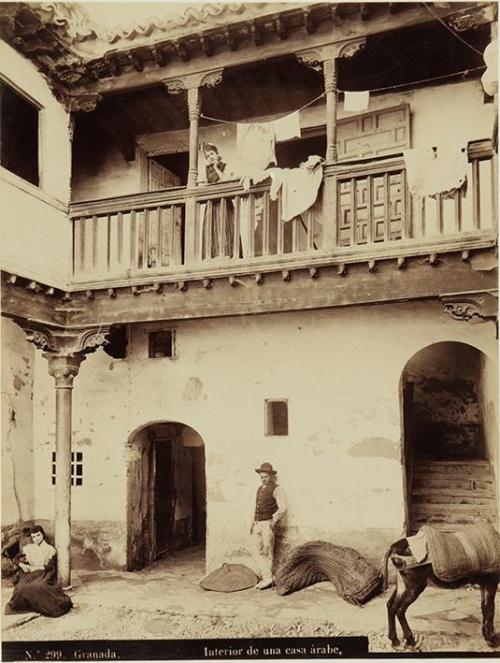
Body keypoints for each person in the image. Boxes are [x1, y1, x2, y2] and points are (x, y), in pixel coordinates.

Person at [5, 525, 72, 617]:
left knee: (39, 586)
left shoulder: (50, 549)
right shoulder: (29, 548)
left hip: (44, 573)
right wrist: (22, 565)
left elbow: (51, 566)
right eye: (34, 536)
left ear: (43, 535)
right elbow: (16, 559)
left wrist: (37, 568)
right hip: (31, 573)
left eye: (38, 535)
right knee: (20, 588)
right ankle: (30, 605)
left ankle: (42, 606)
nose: (36, 538)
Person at [250, 462, 287, 589]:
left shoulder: (276, 488)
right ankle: (268, 577)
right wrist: (252, 523)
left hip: (267, 524)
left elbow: (283, 507)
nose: (263, 479)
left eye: (265, 477)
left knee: (267, 551)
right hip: (258, 523)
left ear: (271, 476)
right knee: (255, 550)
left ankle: (268, 579)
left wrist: (274, 520)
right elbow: (256, 507)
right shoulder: (260, 489)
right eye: (261, 477)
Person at [200, 143, 235, 259]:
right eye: (207, 156)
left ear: (217, 154)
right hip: (212, 203)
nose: (210, 157)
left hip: (224, 202)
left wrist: (216, 167)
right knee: (211, 228)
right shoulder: (207, 169)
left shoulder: (224, 166)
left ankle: (227, 255)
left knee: (225, 227)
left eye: (212, 154)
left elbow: (226, 180)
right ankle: (213, 257)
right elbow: (206, 183)